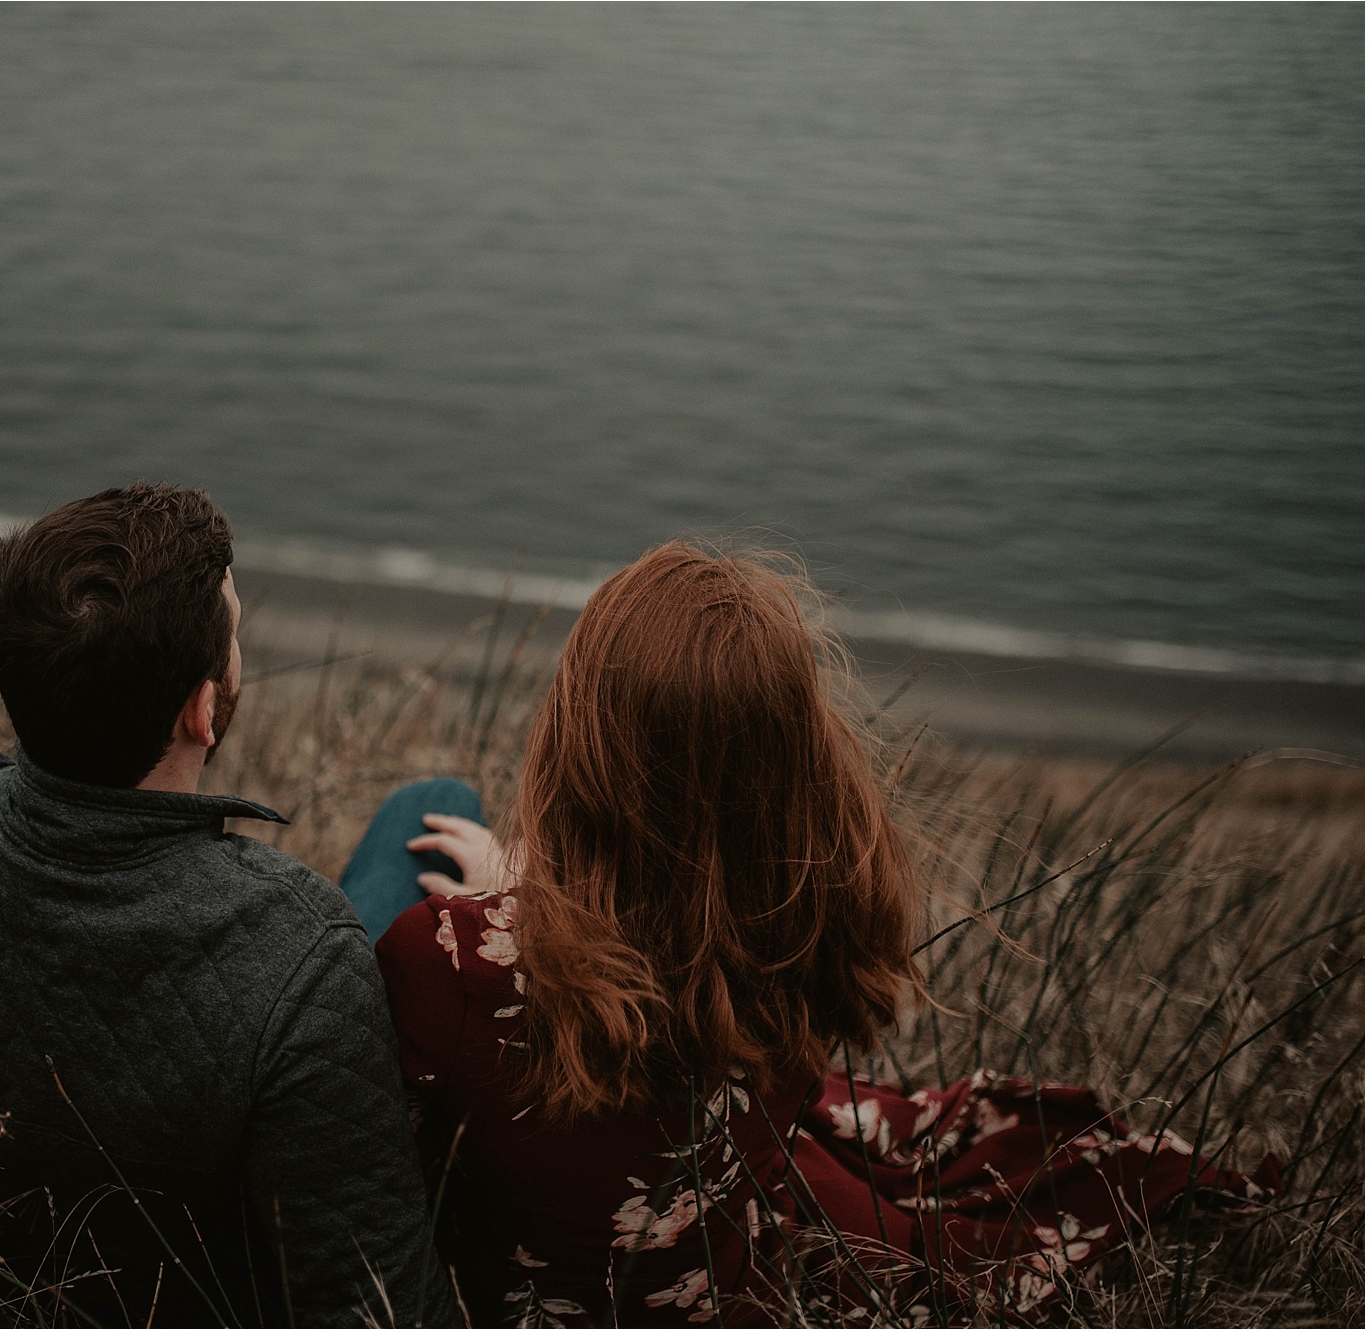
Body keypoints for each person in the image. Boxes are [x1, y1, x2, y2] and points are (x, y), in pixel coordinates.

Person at [347, 541, 1274, 1326]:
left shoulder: (445, 963)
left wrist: (510, 915)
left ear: (580, 743)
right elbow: (668, 921)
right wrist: (531, 905)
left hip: (481, 1302)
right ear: (794, 757)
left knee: (430, 809)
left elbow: (370, 1159)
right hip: (702, 1290)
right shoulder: (814, 932)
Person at [0, 482, 461, 1327]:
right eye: (236, 636)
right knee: (437, 809)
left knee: (429, 807)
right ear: (203, 710)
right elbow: (378, 1309)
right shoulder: (303, 947)